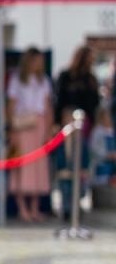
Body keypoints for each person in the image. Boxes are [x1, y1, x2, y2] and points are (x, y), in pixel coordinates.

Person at [6, 47, 53, 223]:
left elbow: (48, 106)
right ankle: (21, 207)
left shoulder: (44, 81)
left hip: (39, 125)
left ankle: (34, 207)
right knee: (22, 166)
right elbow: (11, 105)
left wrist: (48, 130)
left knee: (38, 168)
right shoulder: (17, 80)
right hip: (22, 124)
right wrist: (12, 129)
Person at [53, 45, 101, 219]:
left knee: (82, 164)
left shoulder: (91, 80)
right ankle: (66, 204)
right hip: (67, 126)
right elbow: (59, 102)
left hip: (84, 126)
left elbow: (94, 105)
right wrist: (59, 122)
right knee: (65, 164)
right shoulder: (66, 77)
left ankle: (76, 202)